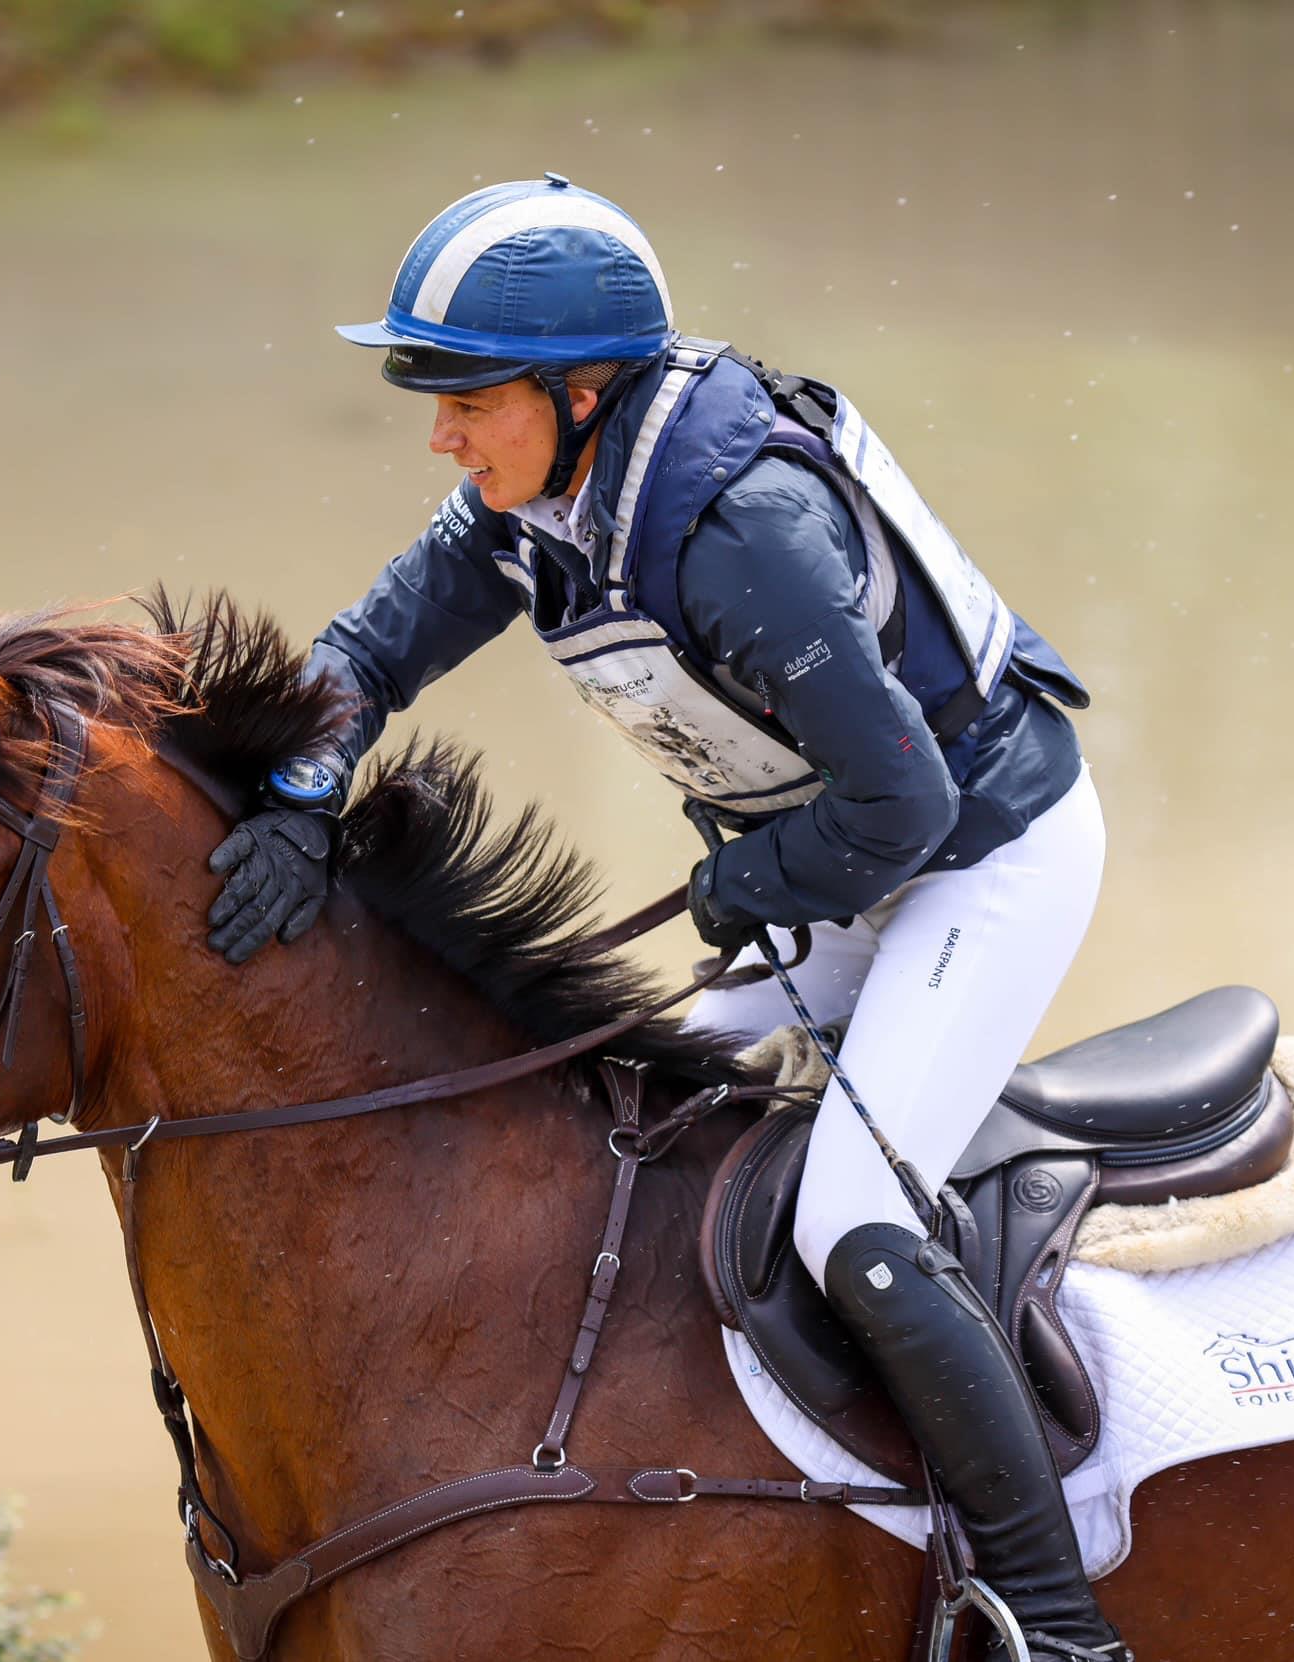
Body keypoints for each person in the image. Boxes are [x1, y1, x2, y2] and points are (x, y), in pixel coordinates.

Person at [205, 174, 1126, 1662]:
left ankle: (1059, 1618)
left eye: (464, 396)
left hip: (978, 859)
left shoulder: (735, 527)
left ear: (581, 390)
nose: (438, 430)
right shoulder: (542, 502)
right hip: (834, 856)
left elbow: (909, 815)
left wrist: (738, 886)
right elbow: (370, 651)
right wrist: (303, 788)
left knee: (853, 1216)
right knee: (632, 1094)